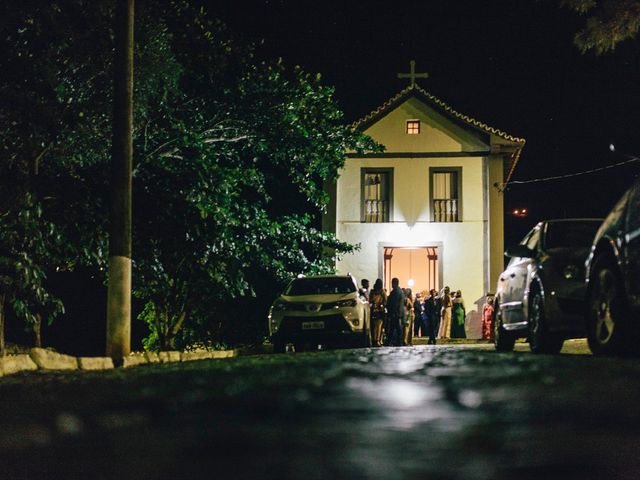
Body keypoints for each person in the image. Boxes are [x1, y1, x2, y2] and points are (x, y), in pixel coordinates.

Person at [385, 277, 405, 346]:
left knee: (395, 329)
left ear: (394, 283)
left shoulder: (395, 292)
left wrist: (391, 312)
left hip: (395, 314)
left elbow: (393, 304)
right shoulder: (400, 292)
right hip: (398, 313)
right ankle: (397, 342)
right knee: (394, 329)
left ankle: (396, 342)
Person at [369, 279, 387, 347]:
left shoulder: (372, 291)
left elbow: (370, 300)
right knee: (379, 326)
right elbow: (385, 301)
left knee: (374, 326)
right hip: (380, 310)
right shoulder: (382, 291)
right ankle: (377, 340)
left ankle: (374, 340)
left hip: (373, 310)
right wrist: (382, 304)